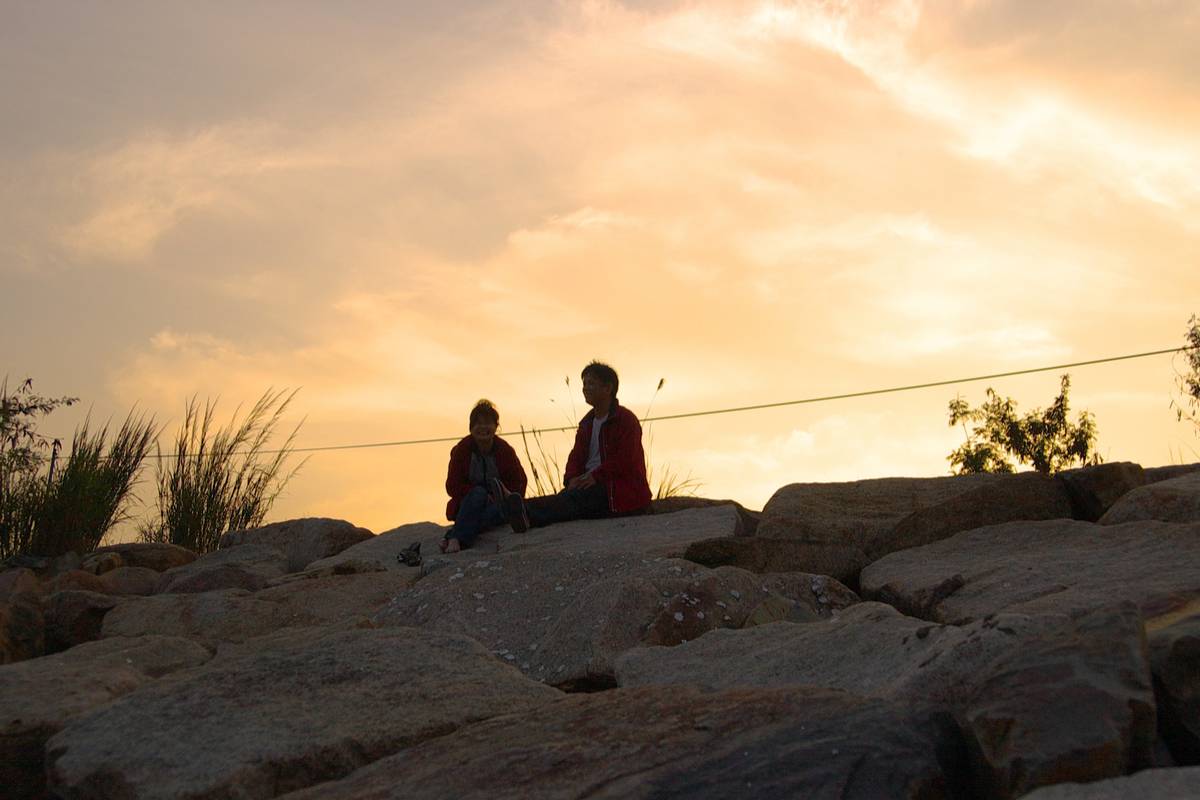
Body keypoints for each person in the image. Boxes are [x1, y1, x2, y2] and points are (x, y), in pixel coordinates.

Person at [502, 361, 651, 528]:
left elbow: (624, 460)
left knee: (573, 500)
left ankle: (521, 509)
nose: (585, 388)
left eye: (591, 383)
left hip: (617, 491)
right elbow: (576, 457)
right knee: (565, 497)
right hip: (588, 484)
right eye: (584, 384)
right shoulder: (587, 424)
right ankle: (519, 510)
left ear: (608, 388)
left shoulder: (625, 420)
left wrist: (595, 476)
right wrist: (572, 478)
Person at [443, 399, 528, 552]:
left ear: (495, 427)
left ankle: (453, 536)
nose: (483, 428)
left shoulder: (504, 450)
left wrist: (498, 497)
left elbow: (519, 482)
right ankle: (458, 538)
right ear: (471, 428)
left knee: (495, 513)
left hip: (496, 504)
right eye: (478, 424)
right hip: (468, 503)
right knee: (479, 493)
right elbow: (452, 486)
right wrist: (479, 495)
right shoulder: (462, 450)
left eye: (488, 423)